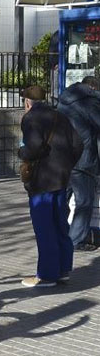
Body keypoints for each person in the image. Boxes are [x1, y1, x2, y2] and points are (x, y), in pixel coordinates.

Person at [18, 84, 82, 287]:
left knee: (44, 227)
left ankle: (46, 275)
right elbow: (78, 144)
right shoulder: (59, 116)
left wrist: (22, 154)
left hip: (41, 180)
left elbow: (33, 147)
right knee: (60, 225)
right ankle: (63, 270)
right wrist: (66, 165)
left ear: (28, 102)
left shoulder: (31, 118)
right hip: (61, 178)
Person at [57, 74, 100, 250]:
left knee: (61, 200)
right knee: (84, 202)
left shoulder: (64, 100)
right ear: (93, 88)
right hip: (82, 160)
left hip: (61, 158)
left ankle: (59, 235)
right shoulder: (88, 102)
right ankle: (75, 241)